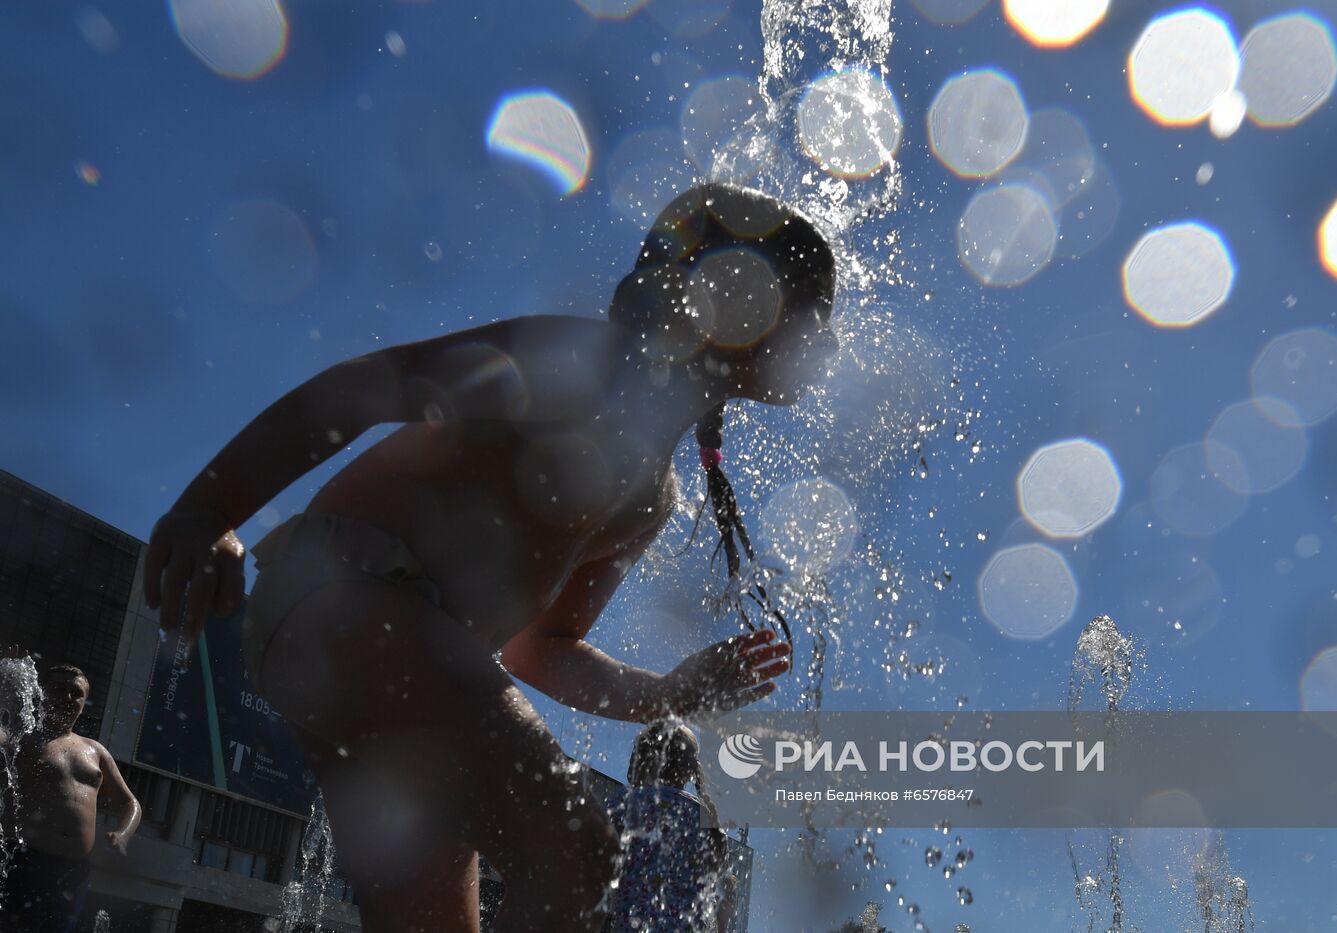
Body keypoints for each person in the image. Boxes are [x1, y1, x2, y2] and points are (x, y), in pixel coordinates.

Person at [143, 183, 839, 933]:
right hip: (348, 594)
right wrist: (211, 508)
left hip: (410, 658)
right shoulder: (576, 361)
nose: (829, 344)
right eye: (818, 313)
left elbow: (542, 648)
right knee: (573, 849)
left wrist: (664, 693)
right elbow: (361, 391)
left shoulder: (652, 497)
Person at [0, 663, 142, 933]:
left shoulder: (95, 750)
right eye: (58, 689)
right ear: (41, 693)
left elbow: (129, 803)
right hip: (24, 861)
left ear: (84, 702)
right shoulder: (23, 736)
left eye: (75, 693)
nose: (67, 698)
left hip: (73, 872)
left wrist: (123, 834)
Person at [609, 720, 738, 932]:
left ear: (643, 759)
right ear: (689, 771)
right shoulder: (706, 820)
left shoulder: (624, 804)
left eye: (635, 750)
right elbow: (721, 890)